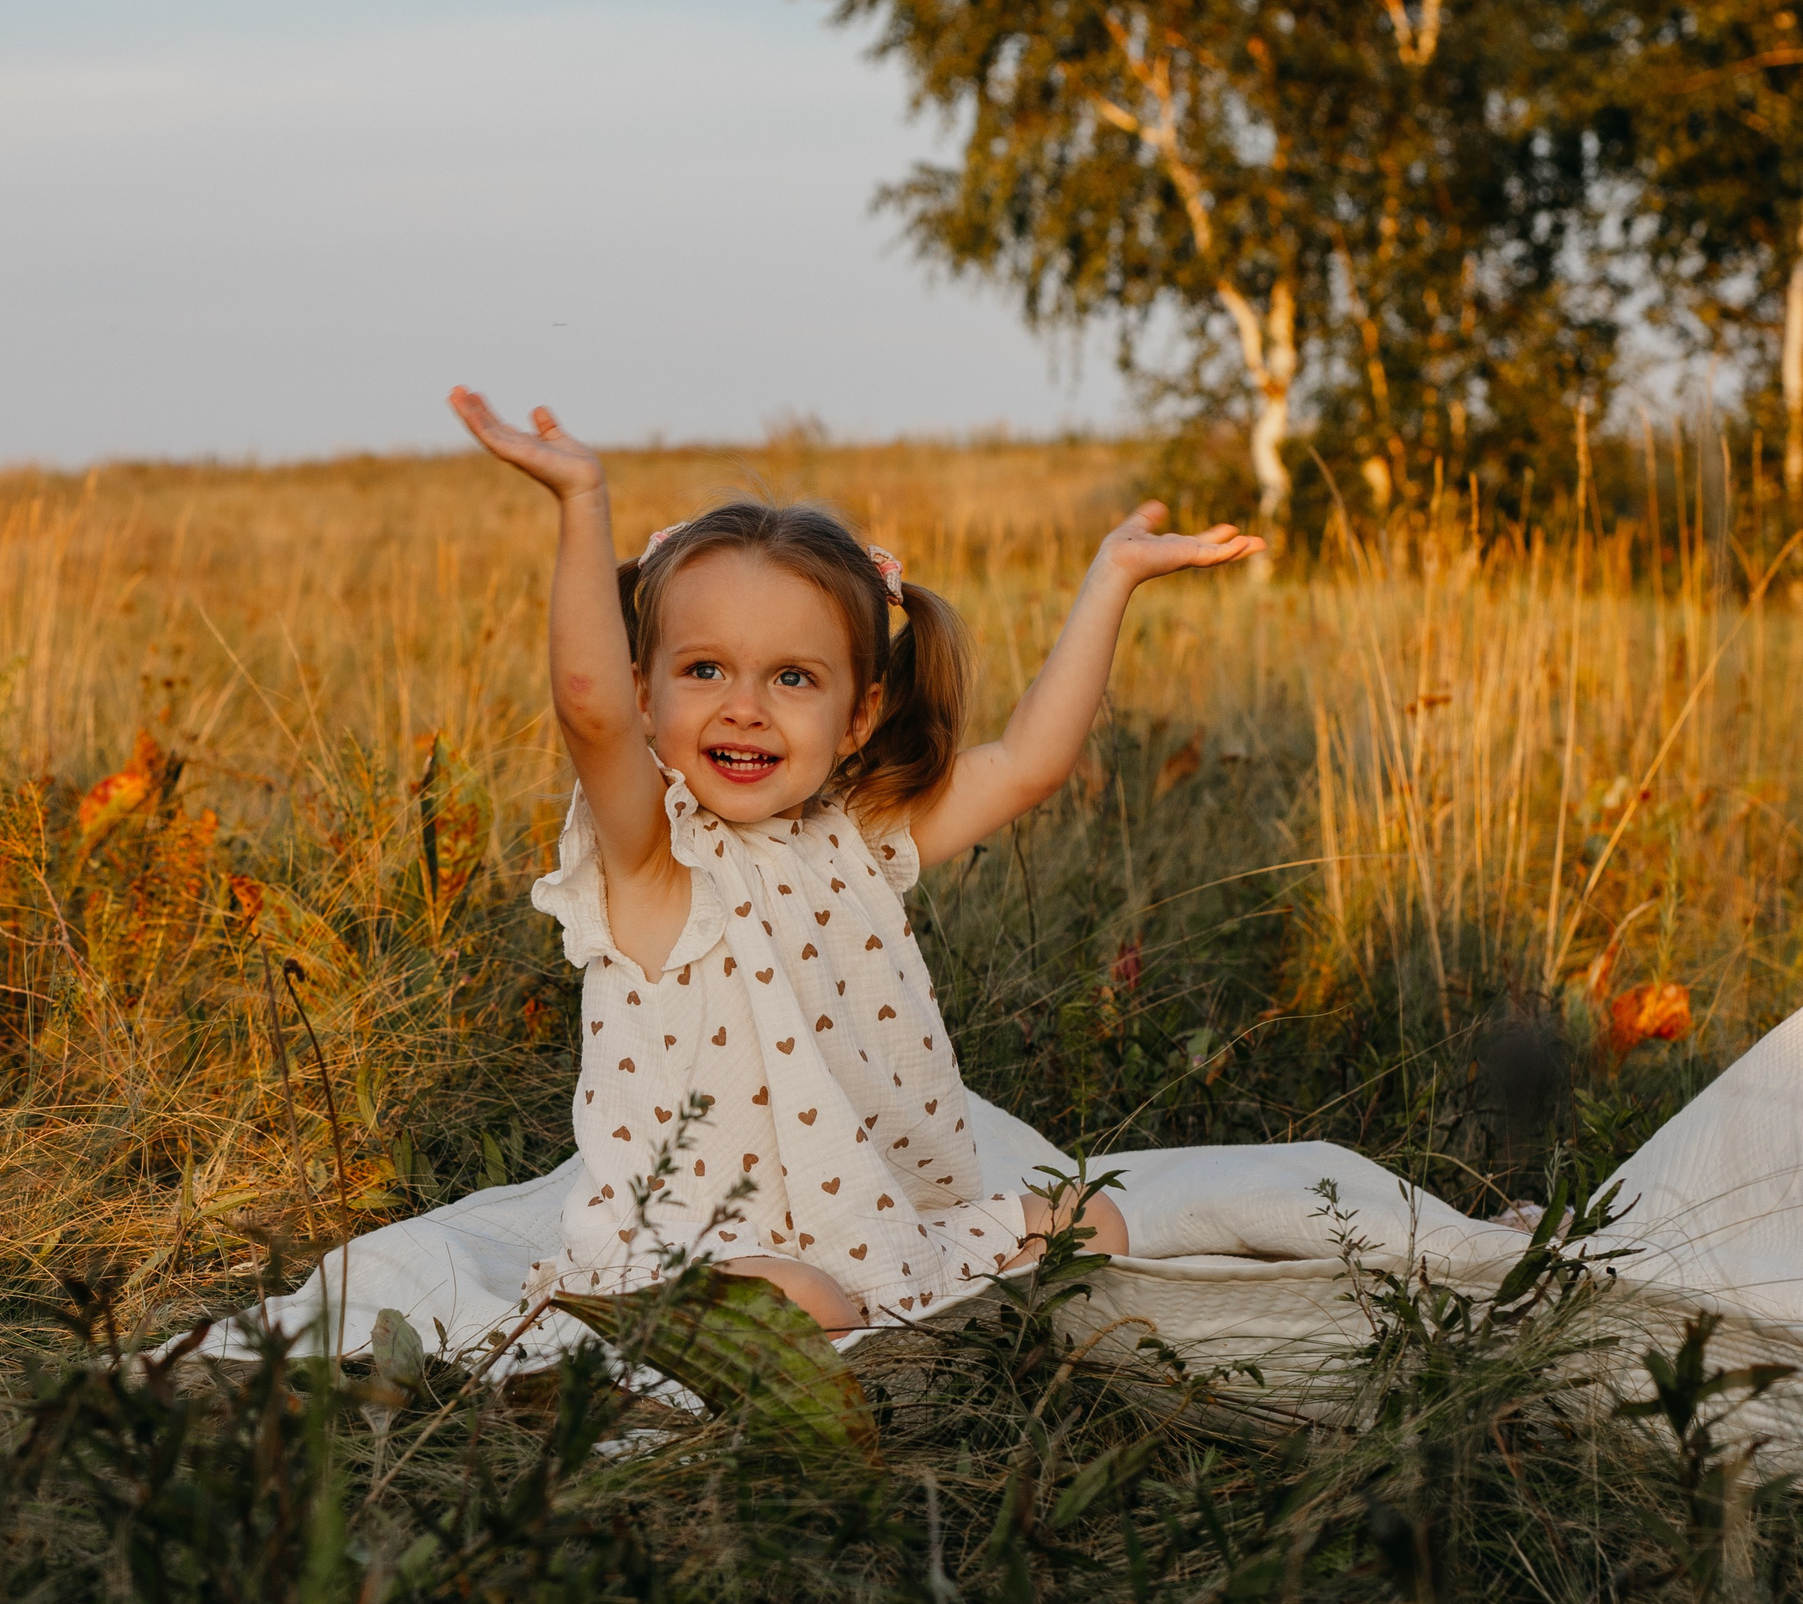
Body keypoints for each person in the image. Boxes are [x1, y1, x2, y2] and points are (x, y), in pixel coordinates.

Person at [448, 387, 1265, 1338]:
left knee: (1089, 1226)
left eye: (792, 678)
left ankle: (910, 1324)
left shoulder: (855, 837)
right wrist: (583, 503)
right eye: (704, 670)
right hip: (685, 1243)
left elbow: (1033, 761)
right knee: (808, 1303)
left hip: (872, 1223)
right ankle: (664, 1325)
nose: (744, 707)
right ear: (644, 695)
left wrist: (1111, 577)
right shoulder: (654, 857)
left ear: (860, 716)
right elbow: (584, 707)